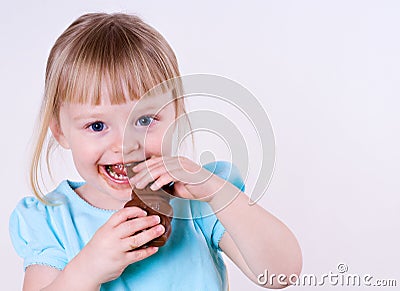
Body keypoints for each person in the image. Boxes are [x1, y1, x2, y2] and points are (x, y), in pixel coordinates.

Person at [9, 12, 302, 290]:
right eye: (97, 125)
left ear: (176, 116)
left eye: (145, 120)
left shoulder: (199, 201)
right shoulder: (51, 220)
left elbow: (281, 273)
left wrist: (217, 192)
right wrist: (87, 268)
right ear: (60, 131)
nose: (125, 145)